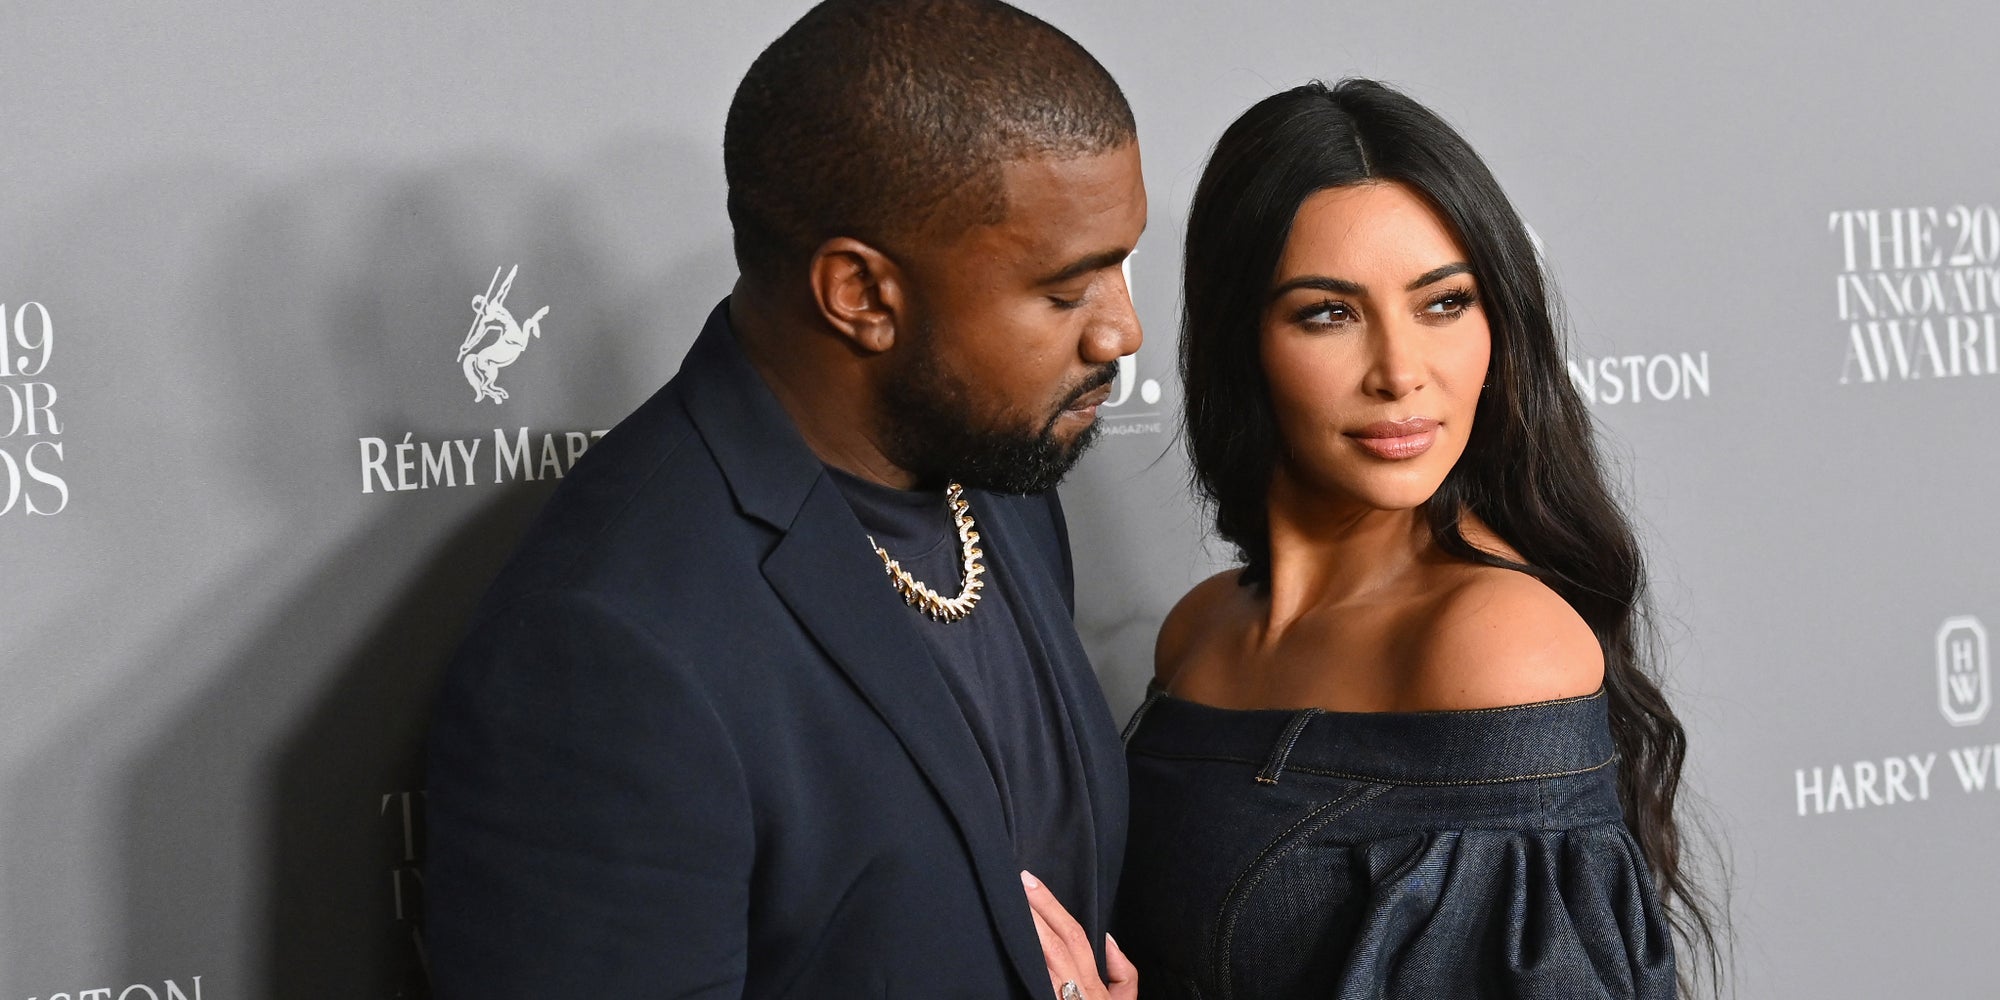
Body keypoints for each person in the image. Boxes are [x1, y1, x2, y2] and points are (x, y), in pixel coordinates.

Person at [421, 2, 1145, 996]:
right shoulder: (609, 646)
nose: (1121, 331)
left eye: (1121, 265)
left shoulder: (1002, 474)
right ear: (861, 295)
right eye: (1067, 291)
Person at [1108, 79, 1723, 997]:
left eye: (1444, 304)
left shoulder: (1495, 644)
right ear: (1243, 342)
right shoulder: (1200, 632)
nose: (1401, 373)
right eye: (1329, 313)